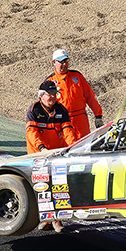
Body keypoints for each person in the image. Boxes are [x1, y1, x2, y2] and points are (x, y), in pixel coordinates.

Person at [26, 81, 80, 233]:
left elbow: (68, 131)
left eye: (55, 94)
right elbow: (32, 133)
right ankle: (45, 219)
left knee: (58, 187)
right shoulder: (34, 110)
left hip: (56, 156)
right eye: (50, 94)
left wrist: (73, 147)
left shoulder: (61, 109)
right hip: (38, 155)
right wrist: (41, 148)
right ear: (41, 96)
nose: (53, 97)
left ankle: (57, 219)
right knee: (41, 187)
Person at [45, 49, 103, 138]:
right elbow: (45, 106)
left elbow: (90, 96)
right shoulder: (49, 81)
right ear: (54, 62)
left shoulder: (77, 76)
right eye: (61, 62)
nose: (65, 64)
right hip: (62, 121)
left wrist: (98, 115)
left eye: (66, 61)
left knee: (84, 147)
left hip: (81, 120)